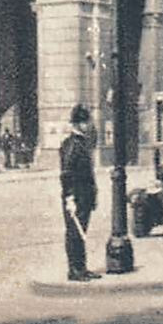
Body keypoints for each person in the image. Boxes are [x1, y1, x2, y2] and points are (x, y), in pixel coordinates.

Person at [58, 105, 102, 282]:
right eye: (86, 122)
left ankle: (81, 267)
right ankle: (74, 270)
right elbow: (67, 172)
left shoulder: (82, 143)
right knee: (74, 232)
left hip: (84, 194)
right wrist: (69, 197)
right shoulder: (72, 144)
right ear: (80, 124)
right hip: (75, 195)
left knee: (81, 230)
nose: (88, 125)